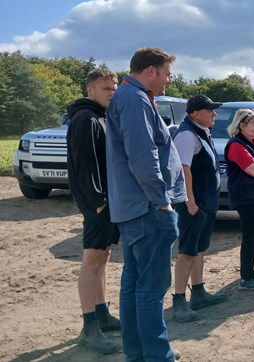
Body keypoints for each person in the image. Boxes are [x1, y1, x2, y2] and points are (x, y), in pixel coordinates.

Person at [106, 47, 185, 361]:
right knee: (152, 287)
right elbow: (143, 158)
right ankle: (156, 355)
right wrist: (162, 202)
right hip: (147, 208)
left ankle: (138, 353)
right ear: (150, 70)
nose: (169, 80)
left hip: (134, 208)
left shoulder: (127, 97)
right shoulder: (135, 99)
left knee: (135, 283)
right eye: (166, 73)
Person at [66, 66, 121, 354]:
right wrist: (98, 200)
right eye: (105, 88)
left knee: (104, 256)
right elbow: (85, 163)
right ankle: (89, 327)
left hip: (107, 202)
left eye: (113, 88)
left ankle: (102, 312)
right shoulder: (85, 118)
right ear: (90, 90)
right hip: (97, 204)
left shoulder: (101, 116)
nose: (111, 93)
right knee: (91, 261)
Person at [169, 95, 228, 321]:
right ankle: (179, 300)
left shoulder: (201, 131)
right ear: (195, 113)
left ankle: (199, 291)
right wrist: (190, 202)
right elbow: (184, 170)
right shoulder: (186, 134)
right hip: (194, 205)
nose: (214, 114)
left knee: (199, 248)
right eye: (209, 110)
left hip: (204, 203)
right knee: (187, 252)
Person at [224, 108, 254, 291]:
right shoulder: (236, 145)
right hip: (247, 198)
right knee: (251, 237)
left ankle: (252, 272)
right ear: (242, 125)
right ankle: (247, 277)